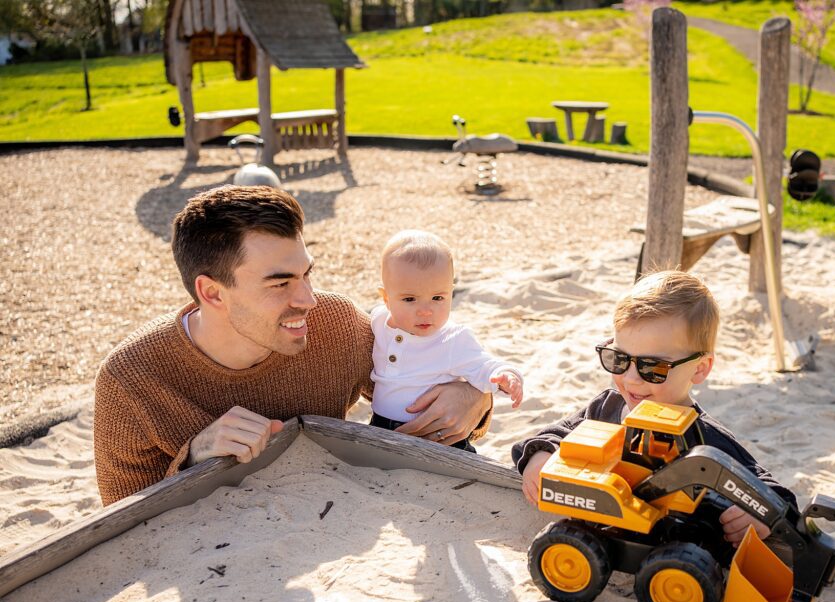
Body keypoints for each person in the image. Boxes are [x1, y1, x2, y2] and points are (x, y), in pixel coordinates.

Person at [93, 186, 491, 505]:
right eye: (280, 283)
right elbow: (121, 523)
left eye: (306, 274)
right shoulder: (130, 378)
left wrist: (474, 395)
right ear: (212, 293)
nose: (308, 299)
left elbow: (417, 368)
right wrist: (194, 457)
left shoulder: (335, 323)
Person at [511, 270, 795, 545]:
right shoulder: (608, 407)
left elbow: (775, 494)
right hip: (598, 542)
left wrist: (762, 517)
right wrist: (540, 456)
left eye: (653, 367)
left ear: (699, 369)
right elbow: (555, 434)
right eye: (619, 359)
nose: (631, 379)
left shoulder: (705, 439)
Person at [369, 230, 523, 452]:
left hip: (438, 436)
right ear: (386, 298)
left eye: (437, 298)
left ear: (451, 293)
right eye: (409, 299)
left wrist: (507, 376)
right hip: (380, 427)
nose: (425, 311)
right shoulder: (378, 320)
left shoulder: (453, 339)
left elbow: (483, 364)